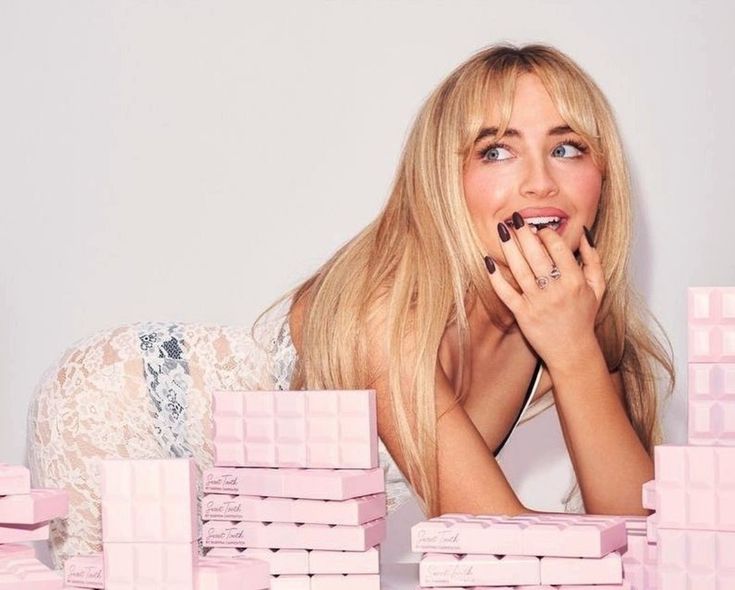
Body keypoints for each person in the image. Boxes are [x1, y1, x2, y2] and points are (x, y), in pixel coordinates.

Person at [27, 42, 674, 567]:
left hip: (259, 516)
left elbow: (647, 546)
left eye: (566, 148)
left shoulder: (570, 322)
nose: (538, 180)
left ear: (602, 178)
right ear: (443, 181)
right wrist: (567, 350)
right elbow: (502, 550)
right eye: (495, 150)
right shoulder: (385, 310)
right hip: (133, 406)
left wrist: (574, 354)